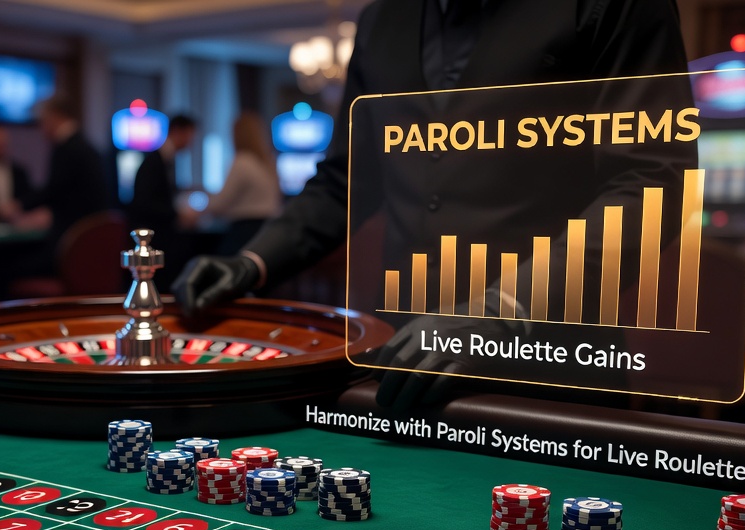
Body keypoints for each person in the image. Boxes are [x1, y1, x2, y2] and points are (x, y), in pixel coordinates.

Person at [172, 0, 694, 409]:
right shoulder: (380, 19)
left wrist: (501, 311)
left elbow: (652, 182)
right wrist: (252, 261)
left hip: (550, 366)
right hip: (402, 361)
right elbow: (345, 181)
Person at [17, 96, 112, 248]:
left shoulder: (66, 149)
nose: (42, 128)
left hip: (75, 242)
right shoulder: (86, 146)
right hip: (93, 240)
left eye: (43, 120)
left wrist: (19, 205)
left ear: (54, 116)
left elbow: (53, 190)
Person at [182, 112, 282, 255]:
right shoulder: (267, 163)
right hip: (268, 230)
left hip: (245, 231)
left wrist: (193, 213)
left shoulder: (242, 161)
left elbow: (221, 202)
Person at [129, 114, 197, 283]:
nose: (191, 141)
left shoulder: (166, 159)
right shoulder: (154, 162)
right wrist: (177, 214)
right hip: (152, 238)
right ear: (178, 132)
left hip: (158, 234)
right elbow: (144, 203)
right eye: (190, 135)